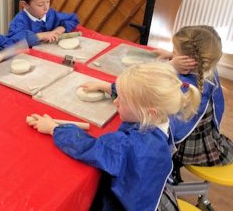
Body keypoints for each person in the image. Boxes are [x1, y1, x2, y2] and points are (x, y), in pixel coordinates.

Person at [27, 62, 201, 210]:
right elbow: (137, 91)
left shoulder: (128, 144)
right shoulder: (163, 116)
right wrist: (106, 87)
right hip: (156, 194)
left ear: (148, 112)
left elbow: (89, 148)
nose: (115, 101)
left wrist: (54, 129)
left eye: (122, 100)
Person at [166, 25, 233, 182]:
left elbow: (173, 134)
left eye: (174, 51)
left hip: (191, 148)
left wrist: (169, 66)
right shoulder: (207, 69)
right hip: (207, 136)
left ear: (189, 62)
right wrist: (172, 56)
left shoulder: (186, 87)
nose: (173, 55)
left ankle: (172, 171)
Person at [8, 0, 79, 44]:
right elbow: (12, 41)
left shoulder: (51, 14)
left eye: (48, 1)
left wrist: (59, 30)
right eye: (40, 4)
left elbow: (73, 19)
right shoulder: (18, 22)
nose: (46, 8)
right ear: (25, 5)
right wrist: (40, 36)